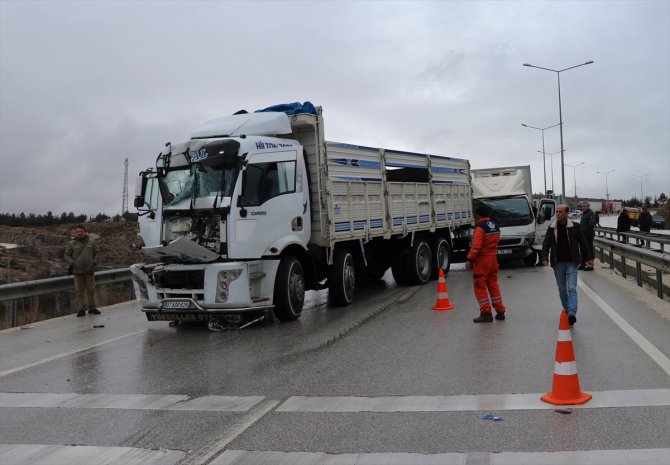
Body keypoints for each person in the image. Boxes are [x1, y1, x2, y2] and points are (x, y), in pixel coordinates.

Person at [541, 204, 593, 326]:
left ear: (566, 214)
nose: (558, 213)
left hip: (571, 262)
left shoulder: (575, 227)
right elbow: (545, 244)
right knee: (562, 290)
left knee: (572, 288)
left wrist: (589, 258)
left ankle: (571, 313)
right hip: (557, 263)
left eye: (560, 212)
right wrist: (544, 258)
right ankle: (568, 309)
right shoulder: (552, 227)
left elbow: (583, 243)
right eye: (557, 211)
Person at [466, 205, 506, 323]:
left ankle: (486, 313)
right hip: (493, 259)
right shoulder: (494, 225)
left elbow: (476, 246)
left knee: (479, 286)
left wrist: (469, 259)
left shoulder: (480, 227)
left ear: (478, 215)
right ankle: (500, 311)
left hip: (483, 261)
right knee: (493, 285)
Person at [65, 224, 100, 317]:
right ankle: (81, 309)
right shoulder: (71, 243)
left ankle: (92, 308)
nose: (79, 233)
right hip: (77, 271)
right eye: (78, 232)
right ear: (76, 232)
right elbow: (66, 255)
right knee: (79, 291)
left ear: (85, 232)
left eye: (81, 231)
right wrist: (73, 263)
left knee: (91, 290)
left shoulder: (91, 242)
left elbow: (97, 253)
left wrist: (94, 261)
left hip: (89, 270)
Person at [578, 201, 596, 271]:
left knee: (589, 250)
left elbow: (591, 224)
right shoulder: (584, 213)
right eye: (582, 206)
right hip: (583, 235)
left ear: (588, 207)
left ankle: (590, 266)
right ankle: (583, 264)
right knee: (582, 249)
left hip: (588, 235)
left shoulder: (591, 213)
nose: (583, 207)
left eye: (585, 206)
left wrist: (583, 230)